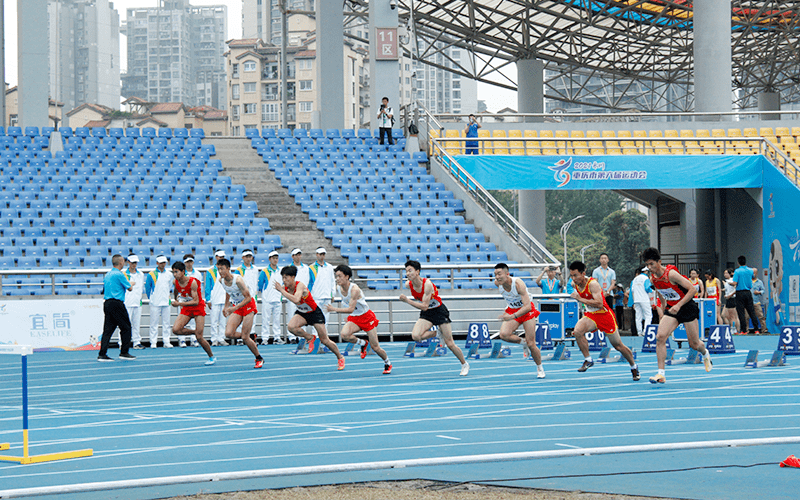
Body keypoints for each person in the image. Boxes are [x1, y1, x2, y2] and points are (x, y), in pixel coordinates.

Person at [641, 247, 713, 384]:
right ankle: (661, 374)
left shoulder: (671, 274)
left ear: (659, 262)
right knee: (660, 337)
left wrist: (679, 305)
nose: (649, 267)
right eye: (647, 264)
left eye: (652, 264)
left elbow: (692, 289)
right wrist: (662, 312)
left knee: (694, 344)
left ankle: (705, 353)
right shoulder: (653, 279)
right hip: (671, 309)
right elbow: (661, 294)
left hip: (686, 307)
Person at [568, 261, 639, 380]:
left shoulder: (593, 284)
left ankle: (633, 366)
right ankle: (588, 360)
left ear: (583, 273)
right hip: (591, 315)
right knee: (578, 331)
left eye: (575, 275)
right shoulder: (574, 284)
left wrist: (580, 299)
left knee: (618, 345)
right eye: (571, 275)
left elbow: (600, 304)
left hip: (604, 315)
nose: (573, 279)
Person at [399, 260, 469, 376]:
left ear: (417, 272)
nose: (407, 273)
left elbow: (425, 306)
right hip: (427, 314)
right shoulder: (408, 284)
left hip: (439, 311)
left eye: (410, 270)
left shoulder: (427, 284)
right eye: (406, 271)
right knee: (416, 336)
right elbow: (425, 309)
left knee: (450, 344)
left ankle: (464, 364)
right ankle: (437, 333)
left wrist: (407, 300)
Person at [275, 265, 345, 370]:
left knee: (325, 340)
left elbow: (296, 299)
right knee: (291, 327)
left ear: (293, 277)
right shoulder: (286, 288)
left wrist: (282, 291)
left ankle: (340, 357)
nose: (284, 280)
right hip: (302, 313)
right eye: (283, 278)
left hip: (314, 313)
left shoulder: (300, 285)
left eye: (286, 278)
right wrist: (283, 290)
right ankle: (310, 337)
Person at [326, 264, 392, 374]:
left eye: (339, 276)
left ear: (347, 277)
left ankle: (387, 362)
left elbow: (351, 308)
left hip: (366, 317)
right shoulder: (338, 288)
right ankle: (362, 343)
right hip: (355, 317)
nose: (337, 279)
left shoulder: (354, 289)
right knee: (344, 334)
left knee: (375, 347)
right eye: (336, 276)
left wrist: (334, 309)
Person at [494, 263, 545, 379]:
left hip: (527, 311)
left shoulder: (518, 284)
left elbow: (527, 307)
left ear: (507, 274)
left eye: (499, 274)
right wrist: (510, 313)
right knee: (504, 334)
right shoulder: (497, 283)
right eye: (495, 274)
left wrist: (512, 316)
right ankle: (523, 343)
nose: (497, 277)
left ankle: (539, 367)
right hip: (513, 310)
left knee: (532, 343)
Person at [217, 258, 264, 369]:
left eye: (222, 269)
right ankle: (251, 339)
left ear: (228, 268)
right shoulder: (221, 280)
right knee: (228, 333)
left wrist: (234, 308)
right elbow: (228, 292)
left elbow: (248, 298)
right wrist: (226, 306)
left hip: (248, 306)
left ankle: (258, 357)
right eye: (218, 269)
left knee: (244, 337)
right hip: (237, 306)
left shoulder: (238, 280)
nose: (220, 272)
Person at [170, 261, 215, 366]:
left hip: (197, 308)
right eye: (173, 272)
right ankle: (195, 332)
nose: (175, 274)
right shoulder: (175, 282)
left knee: (200, 338)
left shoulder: (192, 282)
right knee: (176, 330)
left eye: (176, 272)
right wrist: (175, 298)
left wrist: (179, 303)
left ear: (183, 272)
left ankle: (211, 356)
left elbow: (196, 301)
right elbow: (176, 290)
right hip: (187, 308)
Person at [98, 255, 136, 362]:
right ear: (120, 263)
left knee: (108, 330)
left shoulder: (108, 274)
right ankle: (124, 352)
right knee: (126, 327)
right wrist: (131, 283)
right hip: (117, 303)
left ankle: (102, 353)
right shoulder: (119, 274)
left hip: (107, 303)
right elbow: (129, 288)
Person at [145, 255, 173, 348]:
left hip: (166, 301)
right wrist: (152, 298)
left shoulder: (169, 274)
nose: (163, 264)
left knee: (166, 323)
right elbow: (148, 288)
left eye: (164, 262)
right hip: (155, 302)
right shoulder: (151, 274)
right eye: (161, 263)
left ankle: (166, 341)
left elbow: (169, 286)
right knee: (154, 323)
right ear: (157, 263)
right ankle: (153, 341)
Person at [234, 249, 261, 344]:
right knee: (242, 317)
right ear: (243, 258)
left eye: (250, 256)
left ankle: (251, 337)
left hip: (253, 297)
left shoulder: (255, 269)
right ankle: (242, 338)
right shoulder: (239, 270)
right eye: (246, 256)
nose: (248, 258)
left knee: (252, 318)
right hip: (243, 298)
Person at [283, 248, 310, 343]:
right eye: (296, 255)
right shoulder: (288, 268)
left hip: (303, 297)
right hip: (292, 295)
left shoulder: (306, 268)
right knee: (292, 315)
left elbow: (309, 281)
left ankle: (303, 337)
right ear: (292, 256)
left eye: (299, 254)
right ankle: (292, 337)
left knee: (304, 316)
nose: (298, 256)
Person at [257, 250, 284, 344]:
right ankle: (265, 338)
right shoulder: (264, 271)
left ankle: (277, 337)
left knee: (277, 319)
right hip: (267, 299)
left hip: (277, 298)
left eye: (277, 258)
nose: (275, 260)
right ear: (270, 259)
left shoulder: (281, 271)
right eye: (273, 258)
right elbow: (260, 285)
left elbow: (283, 284)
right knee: (266, 319)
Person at [731, 256, 761, 335]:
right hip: (748, 292)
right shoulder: (750, 270)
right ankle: (756, 329)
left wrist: (729, 283)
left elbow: (734, 283)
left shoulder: (737, 271)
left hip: (740, 293)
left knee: (741, 312)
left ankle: (743, 330)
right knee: (751, 311)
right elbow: (752, 277)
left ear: (738, 262)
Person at [205, 250, 229, 346]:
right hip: (214, 299)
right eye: (219, 257)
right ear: (216, 257)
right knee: (214, 320)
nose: (221, 258)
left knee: (223, 320)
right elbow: (207, 286)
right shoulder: (210, 271)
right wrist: (208, 299)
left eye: (223, 257)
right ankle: (214, 338)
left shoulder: (227, 270)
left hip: (224, 298)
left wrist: (229, 300)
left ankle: (221, 338)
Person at [179, 254, 203, 348]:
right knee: (182, 320)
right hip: (184, 299)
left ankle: (194, 339)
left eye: (190, 261)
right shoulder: (181, 273)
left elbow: (199, 288)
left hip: (193, 300)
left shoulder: (197, 274)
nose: (189, 264)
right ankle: (182, 340)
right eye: (187, 262)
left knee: (193, 320)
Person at [124, 255, 146, 349]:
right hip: (127, 302)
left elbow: (140, 287)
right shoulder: (124, 274)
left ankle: (136, 342)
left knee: (136, 323)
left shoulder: (140, 274)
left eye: (135, 263)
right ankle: (123, 342)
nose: (134, 264)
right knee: (125, 323)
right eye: (132, 262)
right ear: (128, 262)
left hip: (137, 301)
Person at [310, 247, 336, 328]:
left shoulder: (329, 267)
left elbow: (332, 281)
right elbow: (309, 283)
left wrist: (333, 294)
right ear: (317, 255)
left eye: (323, 254)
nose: (322, 256)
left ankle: (324, 337)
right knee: (316, 318)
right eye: (320, 254)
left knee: (326, 319)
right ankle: (316, 337)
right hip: (316, 297)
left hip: (327, 296)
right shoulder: (311, 268)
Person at [629, 267, 653, 336]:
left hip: (636, 300)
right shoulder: (645, 278)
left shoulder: (635, 279)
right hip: (644, 299)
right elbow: (647, 288)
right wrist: (652, 291)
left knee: (638, 316)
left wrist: (634, 301)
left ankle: (639, 332)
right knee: (648, 315)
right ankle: (645, 331)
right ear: (645, 271)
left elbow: (632, 291)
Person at [751, 268, 770, 334]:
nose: (753, 274)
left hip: (756, 302)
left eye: (754, 273)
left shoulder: (759, 282)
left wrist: (759, 292)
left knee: (761, 316)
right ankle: (746, 330)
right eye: (752, 272)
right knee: (746, 317)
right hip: (748, 302)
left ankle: (764, 330)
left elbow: (763, 290)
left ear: (757, 273)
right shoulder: (747, 281)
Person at [722, 268, 740, 332]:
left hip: (732, 299)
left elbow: (735, 289)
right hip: (728, 299)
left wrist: (730, 295)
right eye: (724, 273)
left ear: (730, 274)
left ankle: (734, 329)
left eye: (726, 273)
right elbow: (727, 289)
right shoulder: (727, 281)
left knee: (733, 316)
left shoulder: (732, 280)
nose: (725, 274)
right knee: (724, 315)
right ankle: (730, 328)